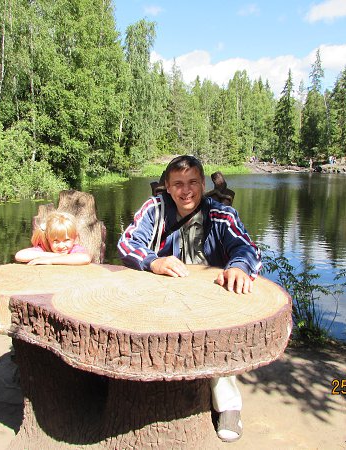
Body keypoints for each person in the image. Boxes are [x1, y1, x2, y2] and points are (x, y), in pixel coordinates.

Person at [117, 155, 261, 443]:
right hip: (161, 294)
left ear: (203, 184)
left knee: (221, 330)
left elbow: (247, 248)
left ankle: (228, 406)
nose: (186, 191)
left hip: (210, 298)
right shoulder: (155, 209)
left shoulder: (221, 215)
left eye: (193, 182)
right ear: (168, 187)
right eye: (178, 184)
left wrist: (238, 267)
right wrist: (153, 261)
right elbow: (127, 243)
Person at [15, 211, 91, 265]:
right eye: (56, 241)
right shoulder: (45, 249)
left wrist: (50, 260)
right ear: (48, 238)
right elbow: (20, 255)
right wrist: (55, 255)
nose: (61, 246)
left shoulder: (75, 250)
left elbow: (85, 258)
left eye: (66, 240)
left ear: (75, 238)